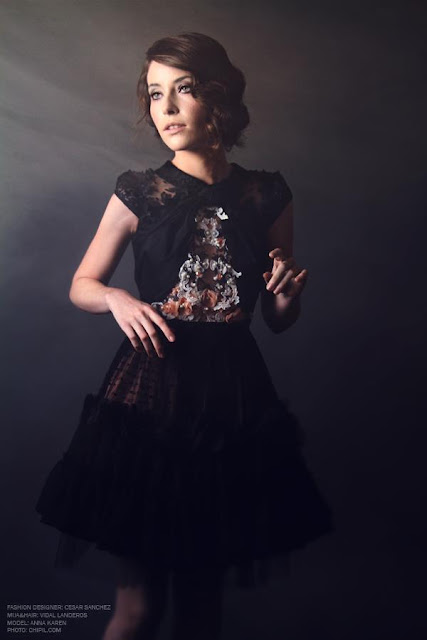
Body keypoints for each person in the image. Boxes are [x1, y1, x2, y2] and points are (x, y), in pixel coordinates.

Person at [35, 32, 334, 640]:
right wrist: (116, 298)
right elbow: (82, 284)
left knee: (201, 608)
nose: (165, 109)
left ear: (218, 98)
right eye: (154, 94)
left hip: (231, 398)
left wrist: (286, 293)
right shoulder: (139, 190)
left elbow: (278, 320)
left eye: (184, 90)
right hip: (150, 392)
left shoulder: (266, 194)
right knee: (138, 609)